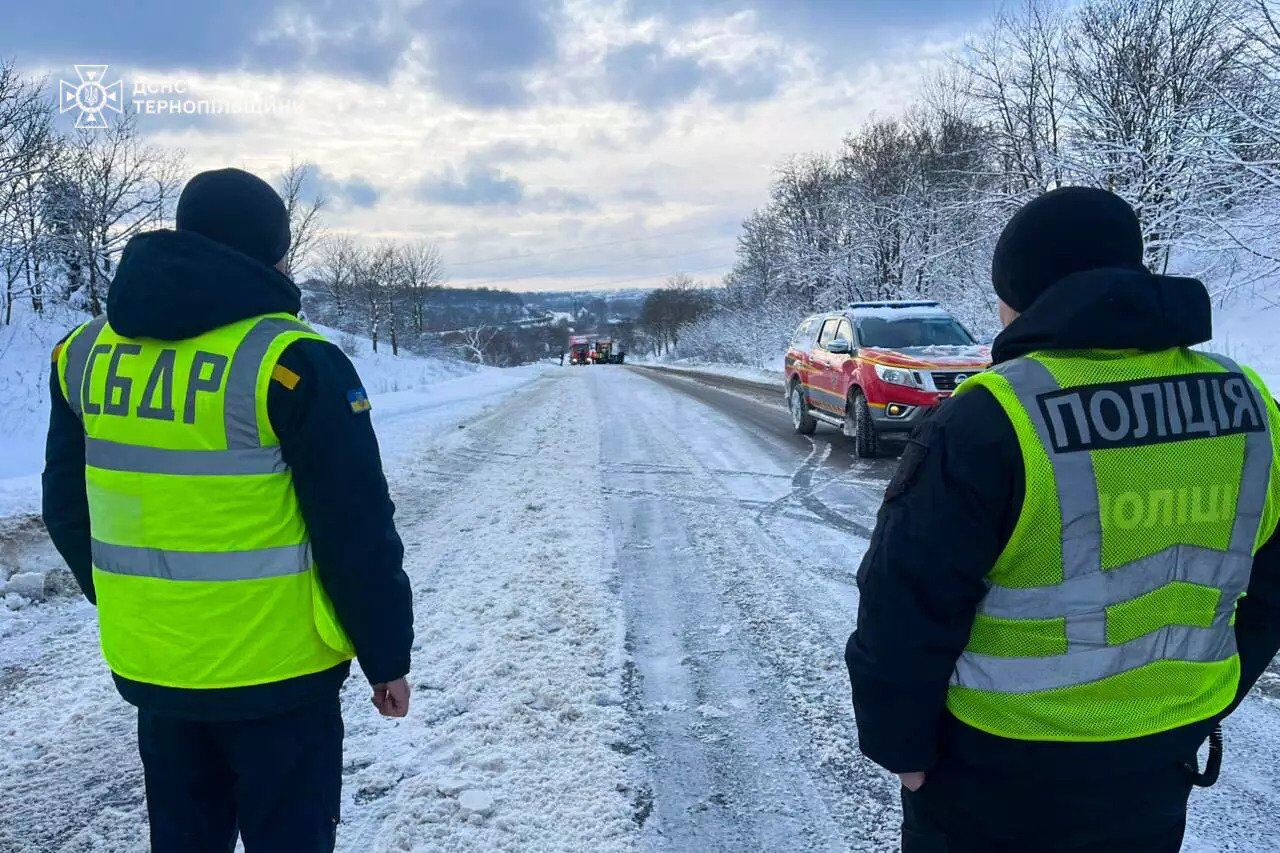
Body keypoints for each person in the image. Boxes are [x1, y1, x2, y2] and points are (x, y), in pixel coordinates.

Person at [845, 187, 1280, 852]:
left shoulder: (992, 414)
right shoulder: (1250, 403)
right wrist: (1206, 698)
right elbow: (1270, 585)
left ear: (1023, 294)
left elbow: (905, 600)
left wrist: (900, 746)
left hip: (996, 767)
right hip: (1160, 757)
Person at [42, 168, 415, 853]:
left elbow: (65, 505)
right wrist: (385, 653)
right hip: (281, 674)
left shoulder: (84, 354)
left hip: (159, 667)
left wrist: (134, 602)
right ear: (272, 253)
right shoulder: (291, 360)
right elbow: (354, 527)